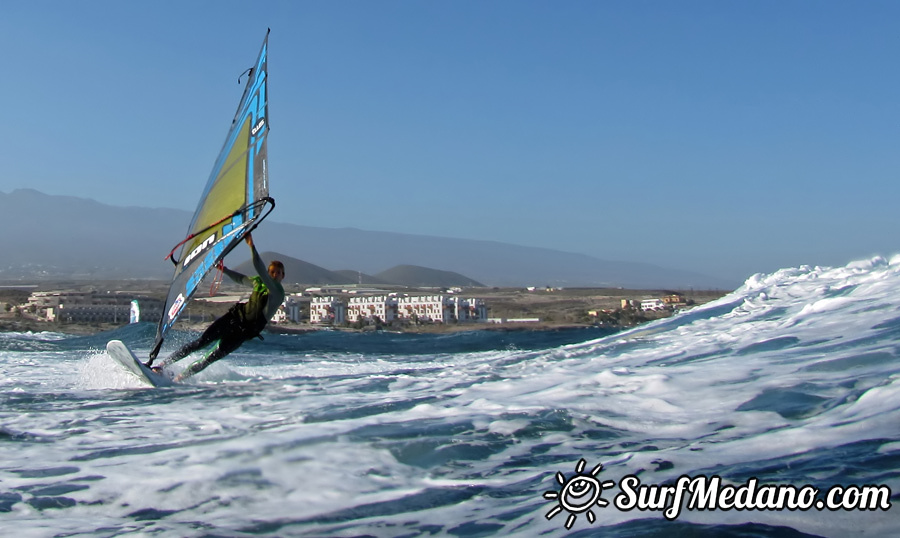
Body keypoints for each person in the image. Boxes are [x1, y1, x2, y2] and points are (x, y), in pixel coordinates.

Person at [152, 233, 285, 381]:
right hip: (234, 318)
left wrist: (251, 246)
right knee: (200, 342)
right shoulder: (258, 282)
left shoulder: (278, 293)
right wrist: (224, 270)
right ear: (269, 273)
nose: (275, 275)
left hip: (243, 333)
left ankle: (178, 379)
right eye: (272, 272)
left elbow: (259, 268)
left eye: (278, 273)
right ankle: (162, 365)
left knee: (209, 358)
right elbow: (240, 279)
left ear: (282, 276)